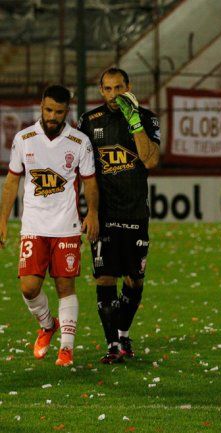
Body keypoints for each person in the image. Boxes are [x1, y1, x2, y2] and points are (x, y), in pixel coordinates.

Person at [0, 85, 99, 367]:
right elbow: (11, 182)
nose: (52, 116)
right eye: (48, 110)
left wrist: (92, 213)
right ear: (41, 106)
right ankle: (47, 325)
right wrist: (2, 220)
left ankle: (66, 348)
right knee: (29, 288)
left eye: (58, 112)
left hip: (66, 225)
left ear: (67, 111)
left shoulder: (79, 142)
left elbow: (90, 182)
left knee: (65, 286)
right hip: (33, 226)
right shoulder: (24, 139)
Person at [78, 68, 161, 364]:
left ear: (129, 87)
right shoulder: (89, 122)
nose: (113, 95)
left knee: (134, 280)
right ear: (101, 90)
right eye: (108, 89)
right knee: (104, 278)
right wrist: (91, 213)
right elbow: (83, 171)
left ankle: (124, 334)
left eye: (119, 88)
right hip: (105, 214)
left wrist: (134, 121)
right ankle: (112, 344)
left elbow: (150, 161)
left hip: (136, 212)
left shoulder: (147, 118)